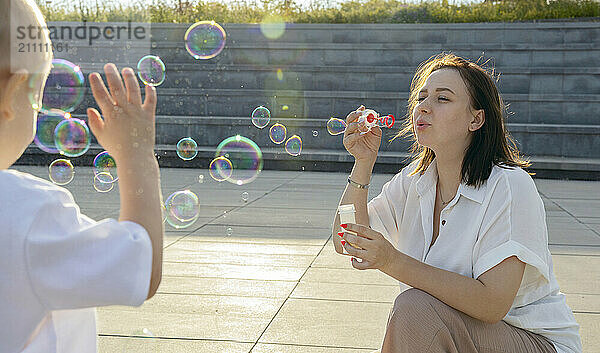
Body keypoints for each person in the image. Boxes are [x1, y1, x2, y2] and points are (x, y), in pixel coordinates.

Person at [332, 53, 582, 353]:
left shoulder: (509, 185)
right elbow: (346, 240)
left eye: (442, 99)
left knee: (415, 308)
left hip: (532, 340)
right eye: (422, 97)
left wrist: (391, 260)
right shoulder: (414, 181)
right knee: (416, 309)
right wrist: (362, 163)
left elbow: (492, 304)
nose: (423, 106)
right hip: (460, 334)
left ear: (475, 119)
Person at [0, 0, 164, 351]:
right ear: (14, 94)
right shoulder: (29, 212)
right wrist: (136, 154)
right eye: (38, 96)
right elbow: (143, 264)